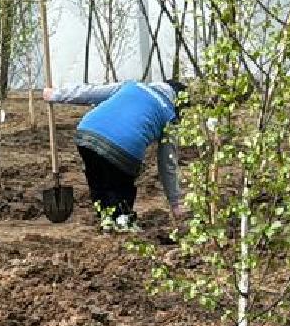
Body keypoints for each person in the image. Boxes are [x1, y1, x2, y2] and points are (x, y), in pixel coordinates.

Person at [44, 79, 186, 230]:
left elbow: (90, 92)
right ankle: (122, 221)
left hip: (87, 134)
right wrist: (175, 202)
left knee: (98, 180)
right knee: (121, 185)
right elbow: (167, 163)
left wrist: (55, 94)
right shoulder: (170, 115)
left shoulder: (132, 85)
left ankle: (106, 219)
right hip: (124, 148)